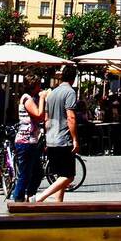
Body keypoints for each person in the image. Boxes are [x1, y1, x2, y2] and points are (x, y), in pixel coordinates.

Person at [34, 64, 79, 204]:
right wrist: (75, 139)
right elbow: (71, 117)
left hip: (51, 138)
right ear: (74, 78)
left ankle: (58, 205)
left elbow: (46, 119)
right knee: (69, 176)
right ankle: (40, 197)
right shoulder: (70, 92)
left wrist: (47, 139)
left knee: (61, 175)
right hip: (63, 139)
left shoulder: (52, 93)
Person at [11, 74, 44, 202]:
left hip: (31, 141)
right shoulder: (27, 99)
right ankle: (17, 200)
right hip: (25, 142)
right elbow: (38, 114)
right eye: (39, 85)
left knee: (37, 173)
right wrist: (42, 98)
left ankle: (29, 196)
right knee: (25, 174)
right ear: (33, 86)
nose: (40, 87)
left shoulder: (29, 98)